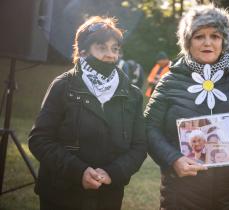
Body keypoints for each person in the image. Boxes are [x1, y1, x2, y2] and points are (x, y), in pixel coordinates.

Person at [144, 4, 229, 210]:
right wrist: (173, 159)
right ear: (188, 41)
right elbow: (149, 127)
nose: (207, 43)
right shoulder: (169, 81)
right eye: (199, 36)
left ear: (224, 41)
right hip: (182, 193)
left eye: (215, 36)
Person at [28, 16, 147, 210]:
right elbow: (39, 140)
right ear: (83, 52)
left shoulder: (132, 94)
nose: (110, 55)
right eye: (102, 47)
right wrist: (79, 172)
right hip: (60, 196)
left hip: (108, 197)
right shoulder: (63, 86)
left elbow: (139, 146)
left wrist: (113, 173)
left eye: (114, 48)